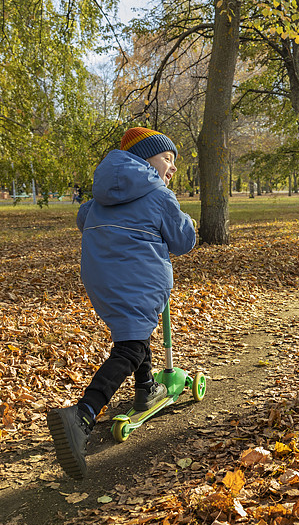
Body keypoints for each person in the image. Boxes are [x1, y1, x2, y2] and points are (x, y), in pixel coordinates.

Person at [47, 127, 197, 479]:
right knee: (131, 346)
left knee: (135, 334)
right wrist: (189, 223)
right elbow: (181, 240)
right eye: (167, 159)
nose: (172, 168)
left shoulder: (100, 197)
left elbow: (83, 218)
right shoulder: (160, 195)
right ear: (146, 160)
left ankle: (146, 388)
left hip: (101, 279)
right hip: (138, 276)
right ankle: (82, 415)